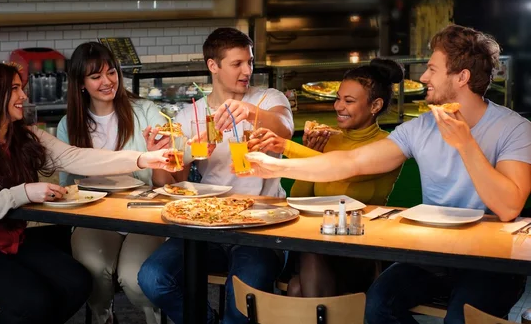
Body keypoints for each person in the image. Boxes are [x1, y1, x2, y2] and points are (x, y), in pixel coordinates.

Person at [242, 25, 531, 324]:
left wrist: (466, 144)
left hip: (491, 263)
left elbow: (508, 207)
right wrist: (276, 165)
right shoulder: (421, 127)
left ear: (462, 77)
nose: (423, 77)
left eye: (432, 69)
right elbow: (350, 162)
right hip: (431, 256)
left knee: (459, 320)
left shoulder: (514, 129)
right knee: (377, 306)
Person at [0, 62, 172, 324]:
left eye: (21, 88)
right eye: (14, 89)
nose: (24, 96)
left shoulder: (25, 137)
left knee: (78, 282)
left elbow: (77, 157)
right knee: (35, 301)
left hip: (12, 246)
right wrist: (23, 192)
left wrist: (143, 159)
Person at [138, 27, 294, 324]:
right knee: (153, 278)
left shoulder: (267, 98)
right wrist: (158, 156)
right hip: (206, 225)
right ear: (213, 66)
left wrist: (247, 111)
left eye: (249, 62)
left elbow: (285, 126)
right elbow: (167, 183)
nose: (247, 70)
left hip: (262, 228)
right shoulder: (189, 116)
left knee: (240, 308)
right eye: (237, 64)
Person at [248, 58, 404, 298]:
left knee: (300, 281)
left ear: (375, 106)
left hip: (358, 246)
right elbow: (300, 197)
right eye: (338, 98)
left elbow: (346, 170)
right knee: (303, 270)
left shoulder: (386, 145)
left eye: (349, 101)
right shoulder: (328, 139)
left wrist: (286, 146)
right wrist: (316, 154)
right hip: (317, 242)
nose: (338, 106)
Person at [57, 42, 169, 324]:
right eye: (96, 77)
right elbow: (68, 189)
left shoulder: (146, 112)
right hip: (94, 218)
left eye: (111, 72)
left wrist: (161, 155)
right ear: (81, 84)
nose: (107, 82)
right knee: (94, 268)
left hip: (143, 214)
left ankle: (152, 318)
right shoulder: (68, 124)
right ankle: (103, 317)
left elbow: (166, 180)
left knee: (135, 277)